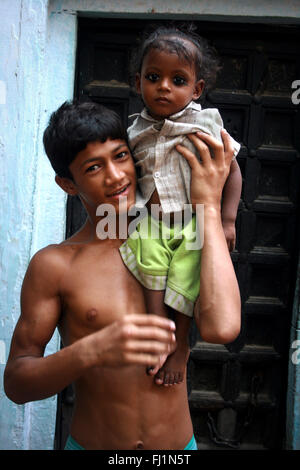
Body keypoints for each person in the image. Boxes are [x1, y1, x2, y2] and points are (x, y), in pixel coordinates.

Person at [4, 100, 240, 450]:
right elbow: (17, 384)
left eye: (120, 156)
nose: (116, 176)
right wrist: (95, 347)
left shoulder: (181, 241)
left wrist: (208, 207)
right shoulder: (56, 265)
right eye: (94, 167)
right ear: (68, 184)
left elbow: (222, 329)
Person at [119, 25, 242, 386]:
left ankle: (182, 344)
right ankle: (159, 333)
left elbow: (233, 172)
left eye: (178, 80)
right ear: (138, 81)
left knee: (188, 276)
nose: (164, 87)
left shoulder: (205, 125)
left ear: (196, 89)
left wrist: (229, 220)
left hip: (195, 221)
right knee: (147, 258)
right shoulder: (132, 132)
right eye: (154, 77)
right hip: (153, 221)